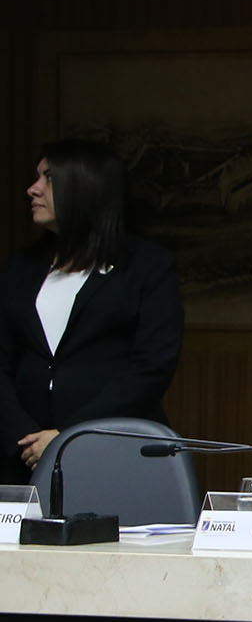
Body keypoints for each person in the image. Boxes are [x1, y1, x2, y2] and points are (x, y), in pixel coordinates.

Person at [1, 140, 183, 484]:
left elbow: (151, 367)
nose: (32, 189)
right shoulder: (19, 268)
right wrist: (25, 438)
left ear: (85, 187)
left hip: (113, 452)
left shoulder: (147, 267)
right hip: (23, 456)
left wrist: (68, 436)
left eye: (48, 178)